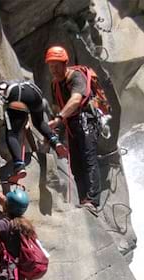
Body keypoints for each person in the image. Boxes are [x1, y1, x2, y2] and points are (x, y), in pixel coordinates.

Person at [45, 46, 101, 211]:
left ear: (65, 64)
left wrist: (59, 119)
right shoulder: (55, 84)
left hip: (86, 120)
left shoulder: (76, 76)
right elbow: (57, 107)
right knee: (75, 163)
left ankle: (93, 200)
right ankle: (84, 199)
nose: (53, 70)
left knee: (89, 158)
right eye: (51, 66)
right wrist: (54, 133)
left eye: (56, 66)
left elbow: (76, 99)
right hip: (71, 125)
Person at [0, 80, 69, 182]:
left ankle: (19, 167)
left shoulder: (3, 86)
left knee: (12, 134)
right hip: (35, 93)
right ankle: (55, 142)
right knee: (39, 122)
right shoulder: (22, 83)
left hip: (18, 96)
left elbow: (0, 99)